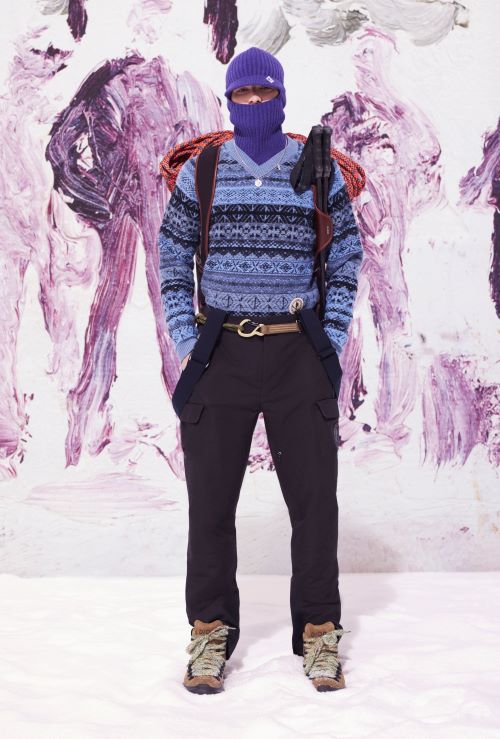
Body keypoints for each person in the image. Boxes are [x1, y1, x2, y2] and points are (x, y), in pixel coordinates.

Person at [157, 46, 363, 694]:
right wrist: (187, 338)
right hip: (220, 353)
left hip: (299, 351)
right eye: (242, 94)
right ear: (228, 100)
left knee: (315, 503)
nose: (252, 103)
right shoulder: (204, 169)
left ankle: (320, 632)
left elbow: (347, 255)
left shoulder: (315, 167)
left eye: (263, 92)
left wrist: (331, 337)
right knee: (210, 504)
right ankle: (209, 632)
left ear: (280, 96)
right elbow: (171, 255)